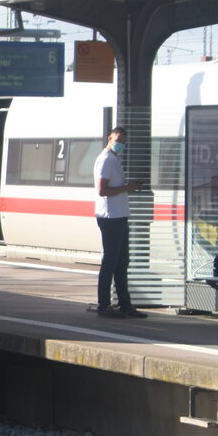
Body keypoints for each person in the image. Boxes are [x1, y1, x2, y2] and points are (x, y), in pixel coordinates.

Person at [93, 126, 147, 318]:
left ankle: (125, 304)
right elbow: (102, 190)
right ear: (110, 138)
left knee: (122, 261)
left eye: (124, 142)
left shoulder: (114, 159)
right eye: (119, 140)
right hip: (110, 217)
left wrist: (128, 187)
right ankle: (104, 305)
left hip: (119, 216)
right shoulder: (106, 160)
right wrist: (128, 187)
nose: (121, 144)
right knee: (110, 262)